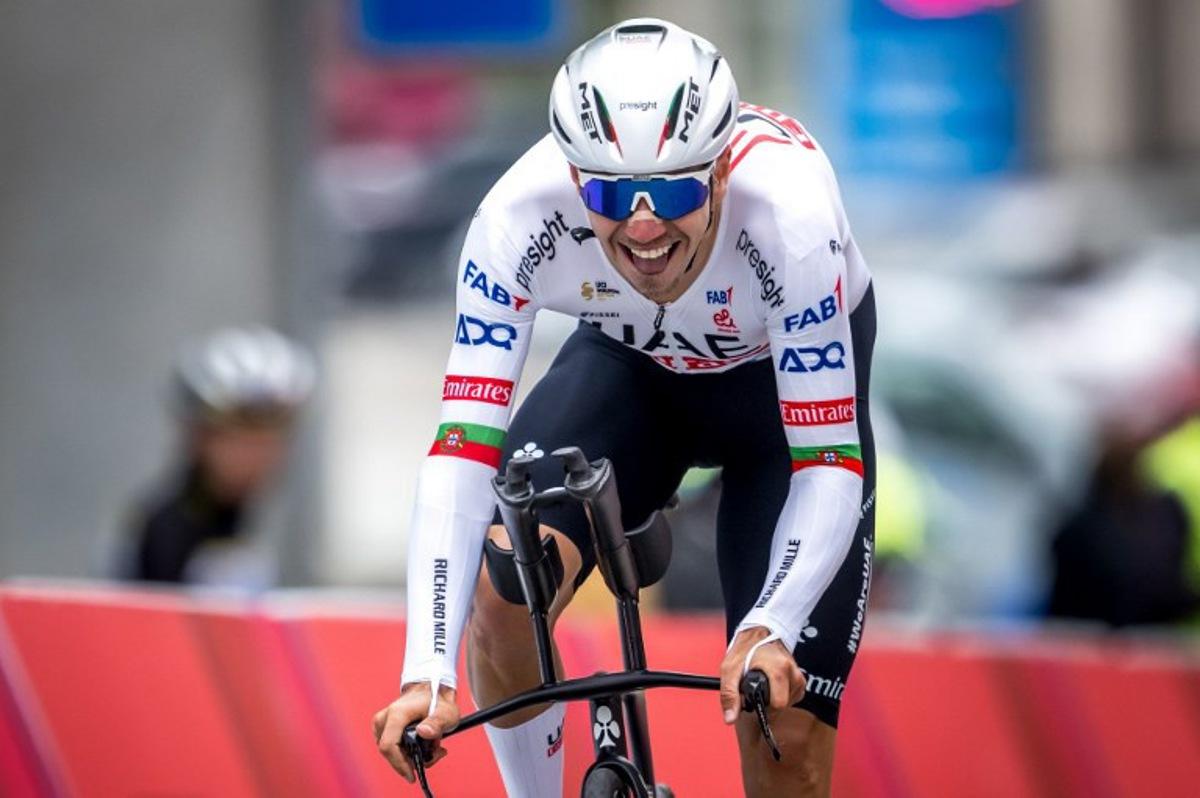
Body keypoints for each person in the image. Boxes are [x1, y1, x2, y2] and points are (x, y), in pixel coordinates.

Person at [373, 18, 876, 797]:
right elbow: (459, 454)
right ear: (576, 182)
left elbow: (828, 466)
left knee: (783, 720)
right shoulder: (517, 218)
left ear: (717, 172)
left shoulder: (788, 217)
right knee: (506, 584)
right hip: (632, 370)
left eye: (673, 190)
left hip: (776, 410)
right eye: (611, 194)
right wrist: (427, 672)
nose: (644, 225)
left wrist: (768, 627)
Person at [125, 326, 315, 584]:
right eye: (240, 436)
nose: (257, 455)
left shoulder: (253, 523)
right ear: (199, 437)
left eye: (270, 437)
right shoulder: (162, 534)